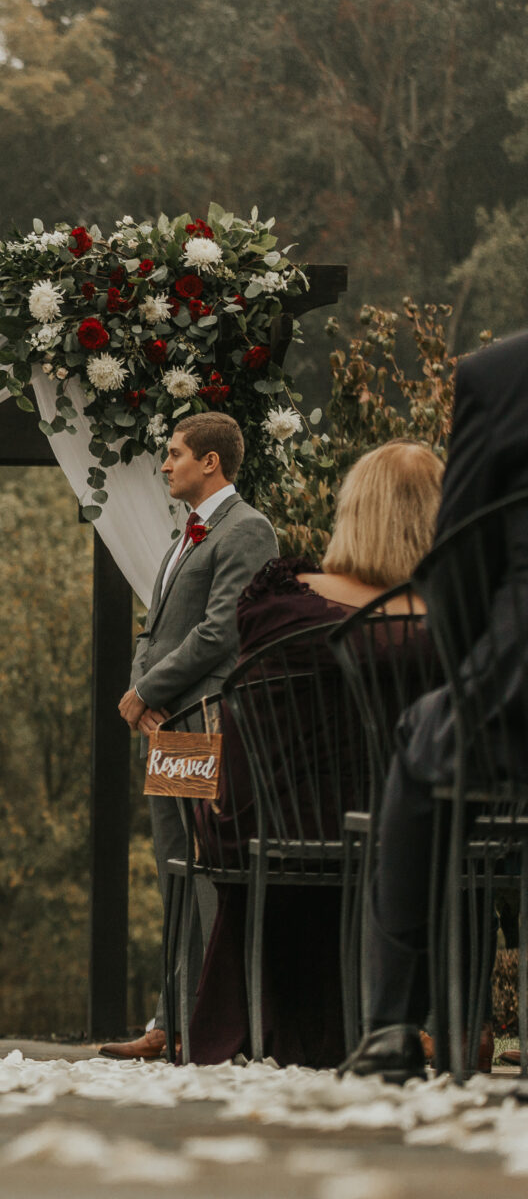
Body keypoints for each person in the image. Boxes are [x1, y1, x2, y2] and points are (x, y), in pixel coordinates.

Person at [187, 441, 442, 1068]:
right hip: (418, 841)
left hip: (283, 828)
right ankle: (450, 1022)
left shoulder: (283, 603)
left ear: (352, 510)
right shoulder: (450, 625)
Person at [344, 330, 528, 1082]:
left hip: (519, 687)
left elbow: (461, 559)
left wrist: (469, 666)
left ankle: (394, 1024)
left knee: (423, 744)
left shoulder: (502, 373)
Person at [101, 411, 279, 1061]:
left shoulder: (249, 529)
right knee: (174, 872)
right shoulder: (186, 536)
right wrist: (141, 691)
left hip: (208, 721)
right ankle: (169, 1020)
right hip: (173, 726)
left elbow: (223, 631)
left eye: (176, 453)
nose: (166, 463)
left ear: (211, 462)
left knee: (206, 870)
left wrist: (148, 692)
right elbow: (155, 631)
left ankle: (208, 1026)